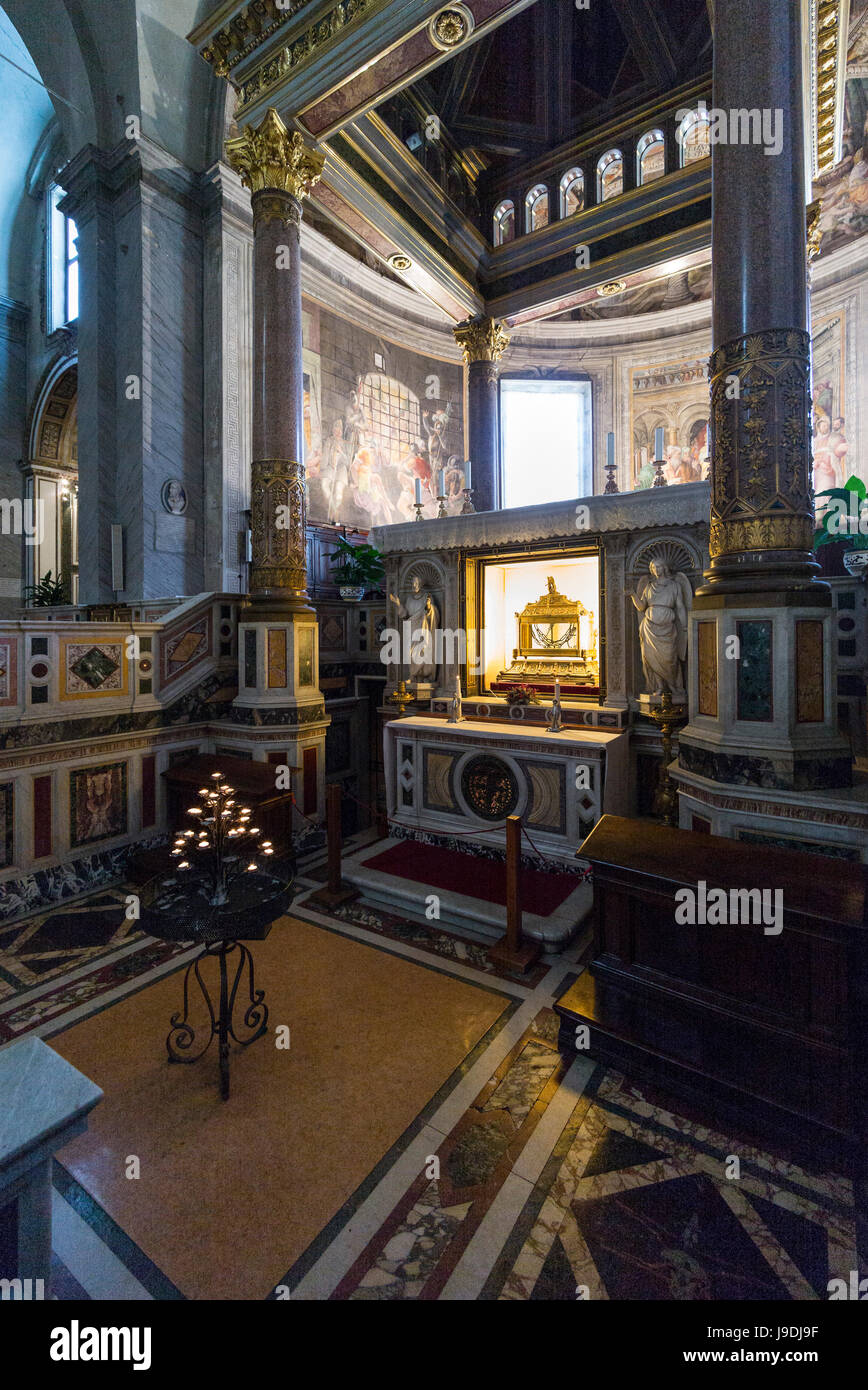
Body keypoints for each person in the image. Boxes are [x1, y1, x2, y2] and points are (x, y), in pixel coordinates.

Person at [631, 559, 692, 697]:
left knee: (670, 658)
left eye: (658, 567)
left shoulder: (674, 585)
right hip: (649, 627)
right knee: (651, 658)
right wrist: (633, 594)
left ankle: (673, 686)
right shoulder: (649, 587)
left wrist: (684, 625)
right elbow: (641, 607)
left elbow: (681, 606)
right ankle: (658, 687)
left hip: (667, 629)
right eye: (653, 568)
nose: (656, 570)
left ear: (664, 567)